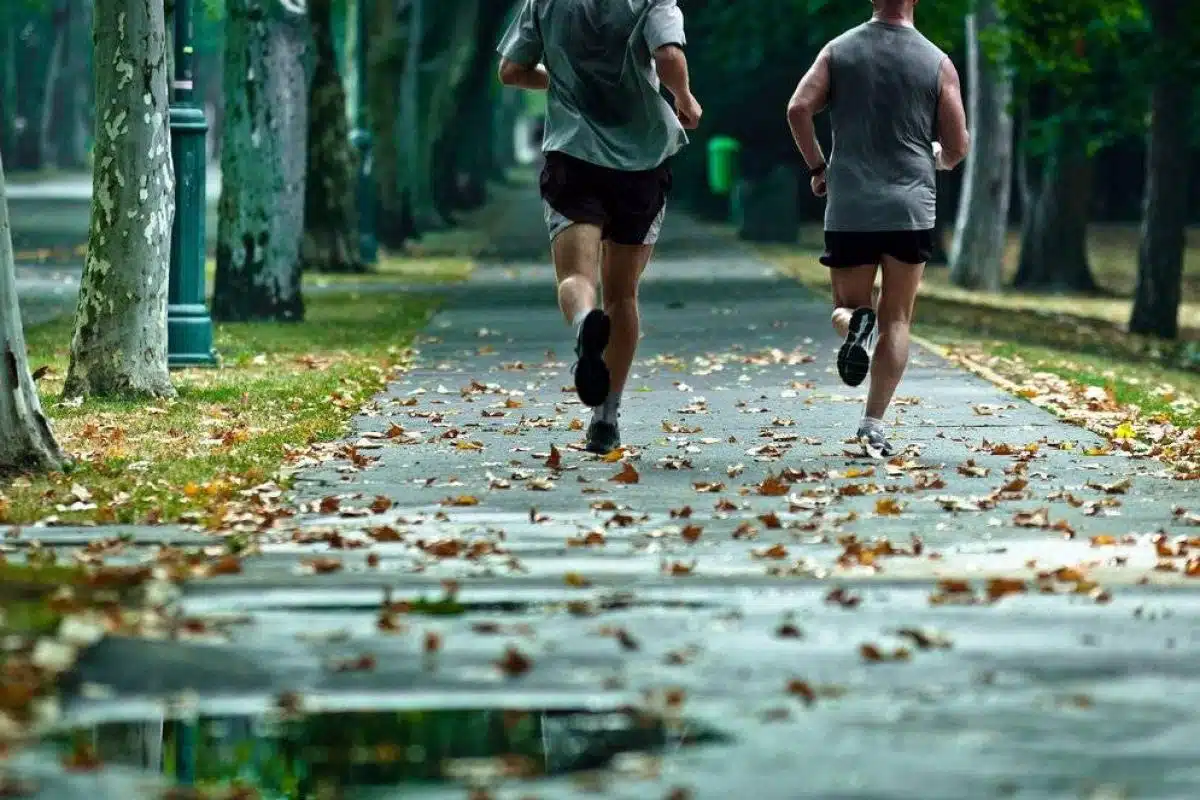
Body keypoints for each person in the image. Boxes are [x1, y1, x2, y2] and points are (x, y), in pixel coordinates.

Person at [497, 0, 702, 455]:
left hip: (574, 153)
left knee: (576, 279)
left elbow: (511, 69)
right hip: (642, 160)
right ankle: (606, 416)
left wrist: (558, 81)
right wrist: (684, 98)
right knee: (623, 293)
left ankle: (585, 321)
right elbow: (668, 56)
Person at [786, 0, 969, 459]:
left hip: (851, 205)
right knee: (899, 319)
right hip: (910, 208)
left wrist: (817, 166)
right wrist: (939, 159)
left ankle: (856, 325)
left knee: (846, 307)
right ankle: (873, 424)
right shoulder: (937, 61)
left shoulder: (838, 50)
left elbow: (797, 109)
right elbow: (958, 144)